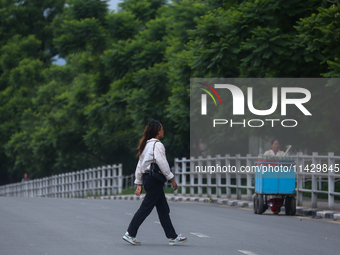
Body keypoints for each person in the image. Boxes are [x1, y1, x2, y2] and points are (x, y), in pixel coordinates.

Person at [122, 120, 187, 246]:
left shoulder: (145, 145)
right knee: (145, 208)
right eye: (161, 129)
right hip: (154, 180)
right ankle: (130, 233)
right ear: (157, 131)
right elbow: (162, 163)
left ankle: (172, 237)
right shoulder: (157, 145)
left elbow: (140, 166)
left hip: (149, 179)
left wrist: (139, 183)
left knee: (163, 209)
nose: (163, 131)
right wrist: (172, 179)